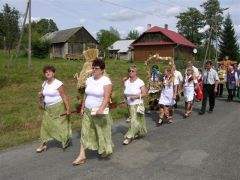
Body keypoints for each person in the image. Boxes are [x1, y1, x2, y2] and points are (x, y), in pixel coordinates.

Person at [72, 59, 113, 166]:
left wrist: (101, 108)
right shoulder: (89, 80)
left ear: (102, 70)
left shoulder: (106, 81)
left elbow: (107, 96)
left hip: (99, 111)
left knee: (101, 131)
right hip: (88, 111)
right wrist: (82, 107)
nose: (94, 70)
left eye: (97, 68)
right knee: (84, 132)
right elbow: (86, 95)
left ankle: (104, 148)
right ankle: (82, 155)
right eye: (93, 68)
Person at [36, 65, 72, 153]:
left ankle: (65, 140)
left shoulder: (58, 83)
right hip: (48, 109)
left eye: (49, 71)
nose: (47, 73)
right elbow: (43, 95)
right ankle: (43, 144)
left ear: (53, 73)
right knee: (45, 125)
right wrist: (41, 97)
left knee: (60, 125)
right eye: (46, 72)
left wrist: (68, 109)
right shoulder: (44, 83)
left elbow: (64, 96)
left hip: (58, 107)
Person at [123, 65, 147, 145]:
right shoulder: (127, 82)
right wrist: (125, 99)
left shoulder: (140, 82)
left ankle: (129, 137)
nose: (130, 72)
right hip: (130, 105)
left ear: (136, 72)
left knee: (133, 120)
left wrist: (136, 97)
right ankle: (137, 132)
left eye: (132, 71)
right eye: (129, 71)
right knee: (136, 120)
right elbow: (125, 92)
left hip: (137, 104)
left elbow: (144, 93)